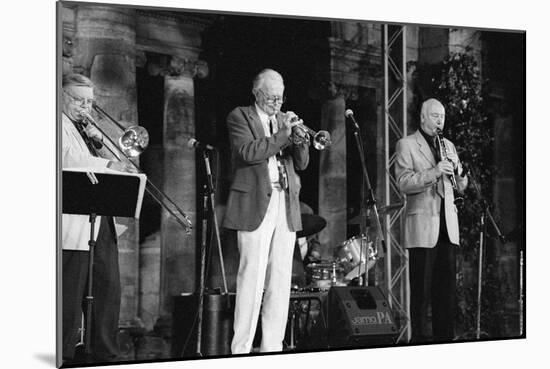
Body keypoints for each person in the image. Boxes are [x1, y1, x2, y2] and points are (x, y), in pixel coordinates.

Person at [223, 68, 310, 353]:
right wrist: (284, 135)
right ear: (256, 93)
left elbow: (303, 163)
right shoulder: (240, 116)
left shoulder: (282, 121)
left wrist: (299, 139)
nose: (277, 103)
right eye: (271, 97)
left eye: (280, 98)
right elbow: (248, 153)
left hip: (284, 202)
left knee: (281, 278)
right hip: (254, 201)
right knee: (252, 277)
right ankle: (241, 349)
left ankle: (272, 347)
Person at [61, 73, 134, 363]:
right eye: (78, 100)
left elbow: (119, 159)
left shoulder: (87, 130)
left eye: (89, 102)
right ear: (61, 98)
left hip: (102, 218)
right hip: (74, 220)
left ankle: (105, 354)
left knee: (107, 288)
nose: (85, 107)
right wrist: (108, 163)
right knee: (70, 291)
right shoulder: (57, 125)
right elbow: (66, 158)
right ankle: (62, 354)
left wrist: (101, 143)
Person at [394, 98, 468, 343]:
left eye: (442, 116)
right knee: (422, 295)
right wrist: (435, 171)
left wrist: (461, 175)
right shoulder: (406, 144)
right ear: (423, 117)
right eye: (435, 115)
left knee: (445, 294)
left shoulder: (449, 145)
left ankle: (444, 342)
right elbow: (404, 183)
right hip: (423, 228)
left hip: (448, 227)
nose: (440, 120)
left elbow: (459, 187)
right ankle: (420, 345)